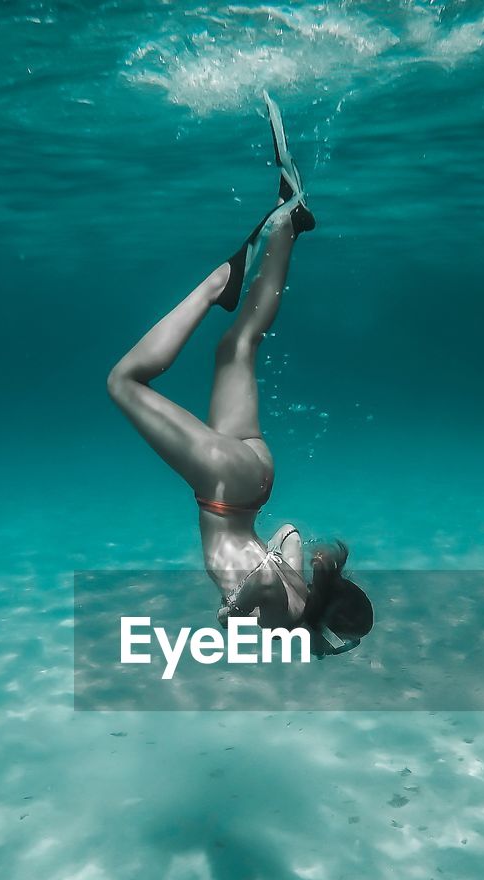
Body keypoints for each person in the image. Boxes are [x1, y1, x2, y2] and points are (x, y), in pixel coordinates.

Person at [107, 92, 373, 659]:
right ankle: (215, 285)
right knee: (124, 383)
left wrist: (274, 563)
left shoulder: (301, 605)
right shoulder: (288, 619)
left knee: (239, 345)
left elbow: (291, 533)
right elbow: (253, 598)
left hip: (254, 478)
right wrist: (232, 612)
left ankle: (290, 223)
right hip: (223, 492)